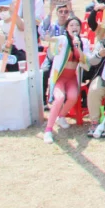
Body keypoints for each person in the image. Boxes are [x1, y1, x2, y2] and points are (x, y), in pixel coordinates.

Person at [43, 15, 89, 144]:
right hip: (60, 77)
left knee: (73, 96)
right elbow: (52, 42)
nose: (75, 28)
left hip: (72, 77)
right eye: (71, 25)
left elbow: (85, 62)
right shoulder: (62, 40)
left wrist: (78, 47)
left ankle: (61, 116)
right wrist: (48, 38)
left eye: (77, 25)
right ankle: (48, 130)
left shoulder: (83, 42)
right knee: (59, 98)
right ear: (67, 28)